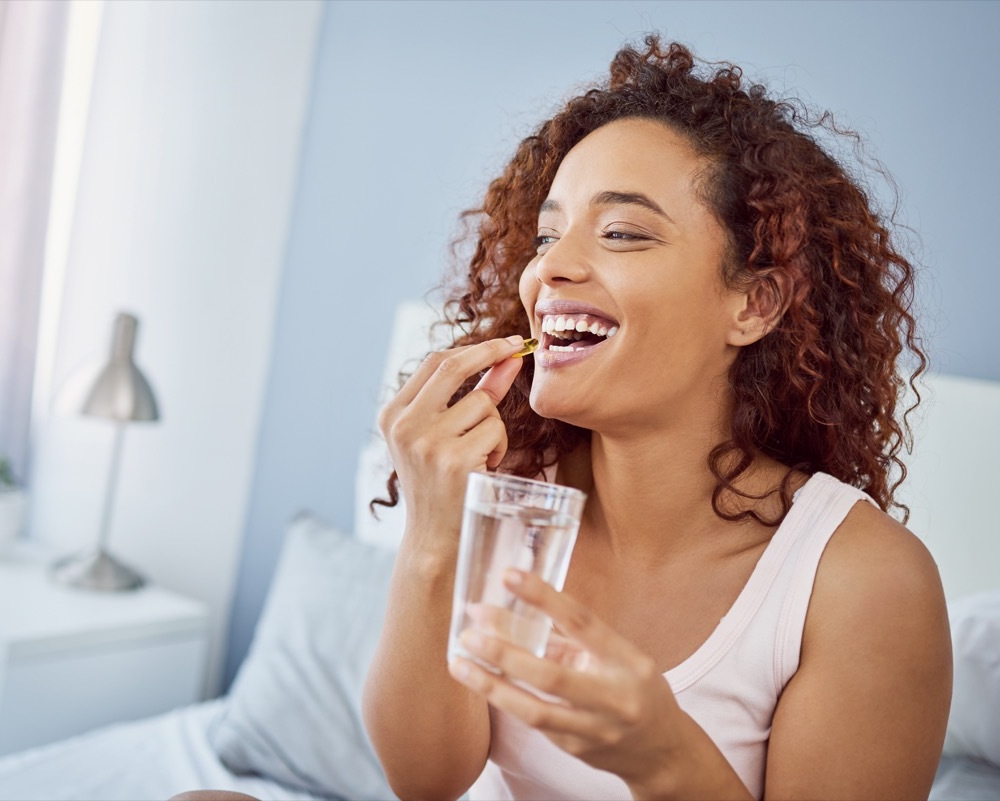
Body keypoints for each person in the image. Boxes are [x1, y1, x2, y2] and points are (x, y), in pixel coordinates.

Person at [363, 36, 951, 800]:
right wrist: (434, 536)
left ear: (754, 303)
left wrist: (663, 756)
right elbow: (426, 779)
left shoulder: (862, 583)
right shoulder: (513, 490)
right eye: (547, 235)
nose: (549, 270)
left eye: (621, 233)